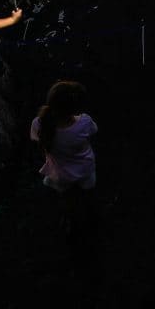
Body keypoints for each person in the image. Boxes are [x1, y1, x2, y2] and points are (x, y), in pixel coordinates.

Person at [30, 80, 98, 237]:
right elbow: (94, 130)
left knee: (67, 198)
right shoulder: (85, 122)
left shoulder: (39, 125)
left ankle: (69, 219)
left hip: (61, 175)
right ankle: (88, 217)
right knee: (87, 194)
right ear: (75, 107)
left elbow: (36, 140)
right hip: (85, 171)